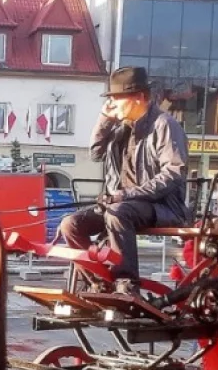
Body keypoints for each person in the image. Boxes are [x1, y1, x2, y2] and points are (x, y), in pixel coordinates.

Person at [57, 66, 190, 289]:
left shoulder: (165, 125)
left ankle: (127, 282)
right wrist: (104, 120)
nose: (111, 104)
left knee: (119, 212)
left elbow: (173, 173)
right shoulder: (120, 128)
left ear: (138, 97)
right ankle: (99, 281)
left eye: (116, 98)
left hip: (162, 206)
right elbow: (95, 153)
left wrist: (126, 194)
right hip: (122, 205)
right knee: (70, 225)